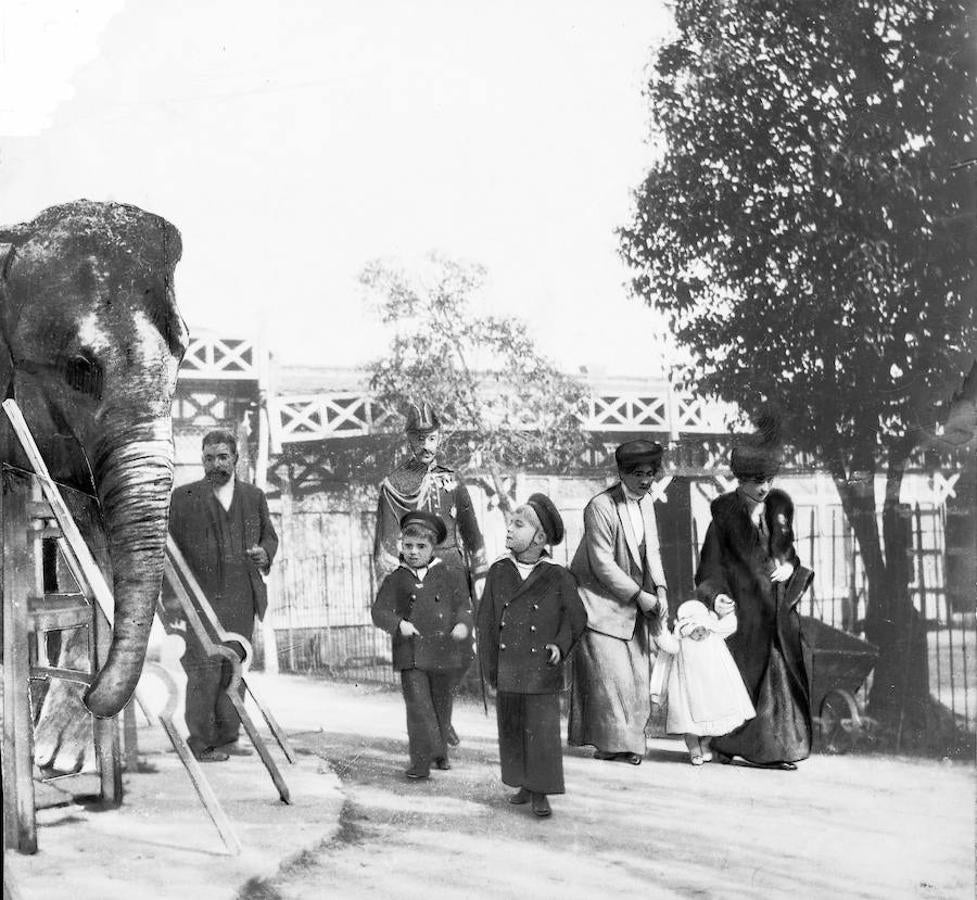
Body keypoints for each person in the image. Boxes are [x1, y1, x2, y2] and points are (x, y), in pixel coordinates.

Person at [694, 425, 814, 770]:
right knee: (748, 682)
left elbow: (790, 556)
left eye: (768, 480)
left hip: (778, 613)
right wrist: (716, 598)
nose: (763, 488)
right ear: (740, 479)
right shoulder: (722, 520)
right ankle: (743, 746)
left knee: (780, 683)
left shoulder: (777, 513)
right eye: (755, 480)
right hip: (744, 617)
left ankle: (778, 749)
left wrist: (790, 568)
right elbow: (707, 573)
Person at [373, 402, 488, 745]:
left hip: (452, 574)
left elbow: (472, 530)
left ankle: (442, 713)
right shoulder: (394, 484)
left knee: (461, 651)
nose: (425, 445)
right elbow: (389, 539)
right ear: (408, 440)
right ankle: (436, 725)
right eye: (418, 438)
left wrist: (479, 575)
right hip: (416, 579)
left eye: (432, 438)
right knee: (423, 656)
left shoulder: (452, 480)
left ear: (440, 439)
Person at [168, 429, 279, 762]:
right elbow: (168, 556)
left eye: (222, 457)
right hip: (198, 601)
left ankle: (229, 736)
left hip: (241, 596)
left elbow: (269, 538)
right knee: (203, 669)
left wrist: (265, 554)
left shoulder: (254, 497)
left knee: (235, 667)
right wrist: (173, 602)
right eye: (209, 457)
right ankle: (200, 742)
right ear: (202, 459)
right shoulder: (183, 497)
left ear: (236, 459)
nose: (215, 464)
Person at [477, 494, 587, 818]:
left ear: (539, 538)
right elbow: (486, 620)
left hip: (540, 669)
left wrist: (560, 644)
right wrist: (489, 667)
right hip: (509, 668)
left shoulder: (557, 575)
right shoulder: (499, 572)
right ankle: (524, 784)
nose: (509, 529)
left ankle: (541, 792)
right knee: (512, 730)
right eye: (510, 523)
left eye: (518, 524)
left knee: (540, 733)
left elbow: (576, 618)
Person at [568, 440, 669, 765]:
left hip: (632, 605)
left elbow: (652, 550)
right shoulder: (599, 506)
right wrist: (640, 596)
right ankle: (613, 744)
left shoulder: (648, 504)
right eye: (638, 474)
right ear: (622, 473)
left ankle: (629, 744)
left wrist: (662, 589)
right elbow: (601, 563)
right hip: (598, 603)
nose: (645, 481)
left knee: (638, 679)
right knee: (612, 679)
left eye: (651, 474)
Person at [371, 511, 473, 780]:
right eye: (408, 546)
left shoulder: (449, 574)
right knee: (418, 706)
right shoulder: (395, 579)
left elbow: (464, 606)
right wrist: (398, 624)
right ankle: (420, 762)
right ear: (401, 545)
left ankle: (441, 755)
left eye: (421, 547)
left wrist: (463, 625)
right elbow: (379, 612)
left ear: (433, 548)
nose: (413, 552)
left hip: (444, 649)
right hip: (411, 653)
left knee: (441, 705)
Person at [650, 598, 755, 765]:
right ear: (685, 629)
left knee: (718, 720)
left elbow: (729, 625)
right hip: (688, 692)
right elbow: (667, 643)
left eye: (703, 629)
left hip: (712, 690)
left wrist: (726, 611)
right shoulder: (681, 642)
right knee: (689, 723)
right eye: (694, 629)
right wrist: (660, 625)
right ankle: (693, 748)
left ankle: (705, 743)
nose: (700, 633)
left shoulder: (713, 638)